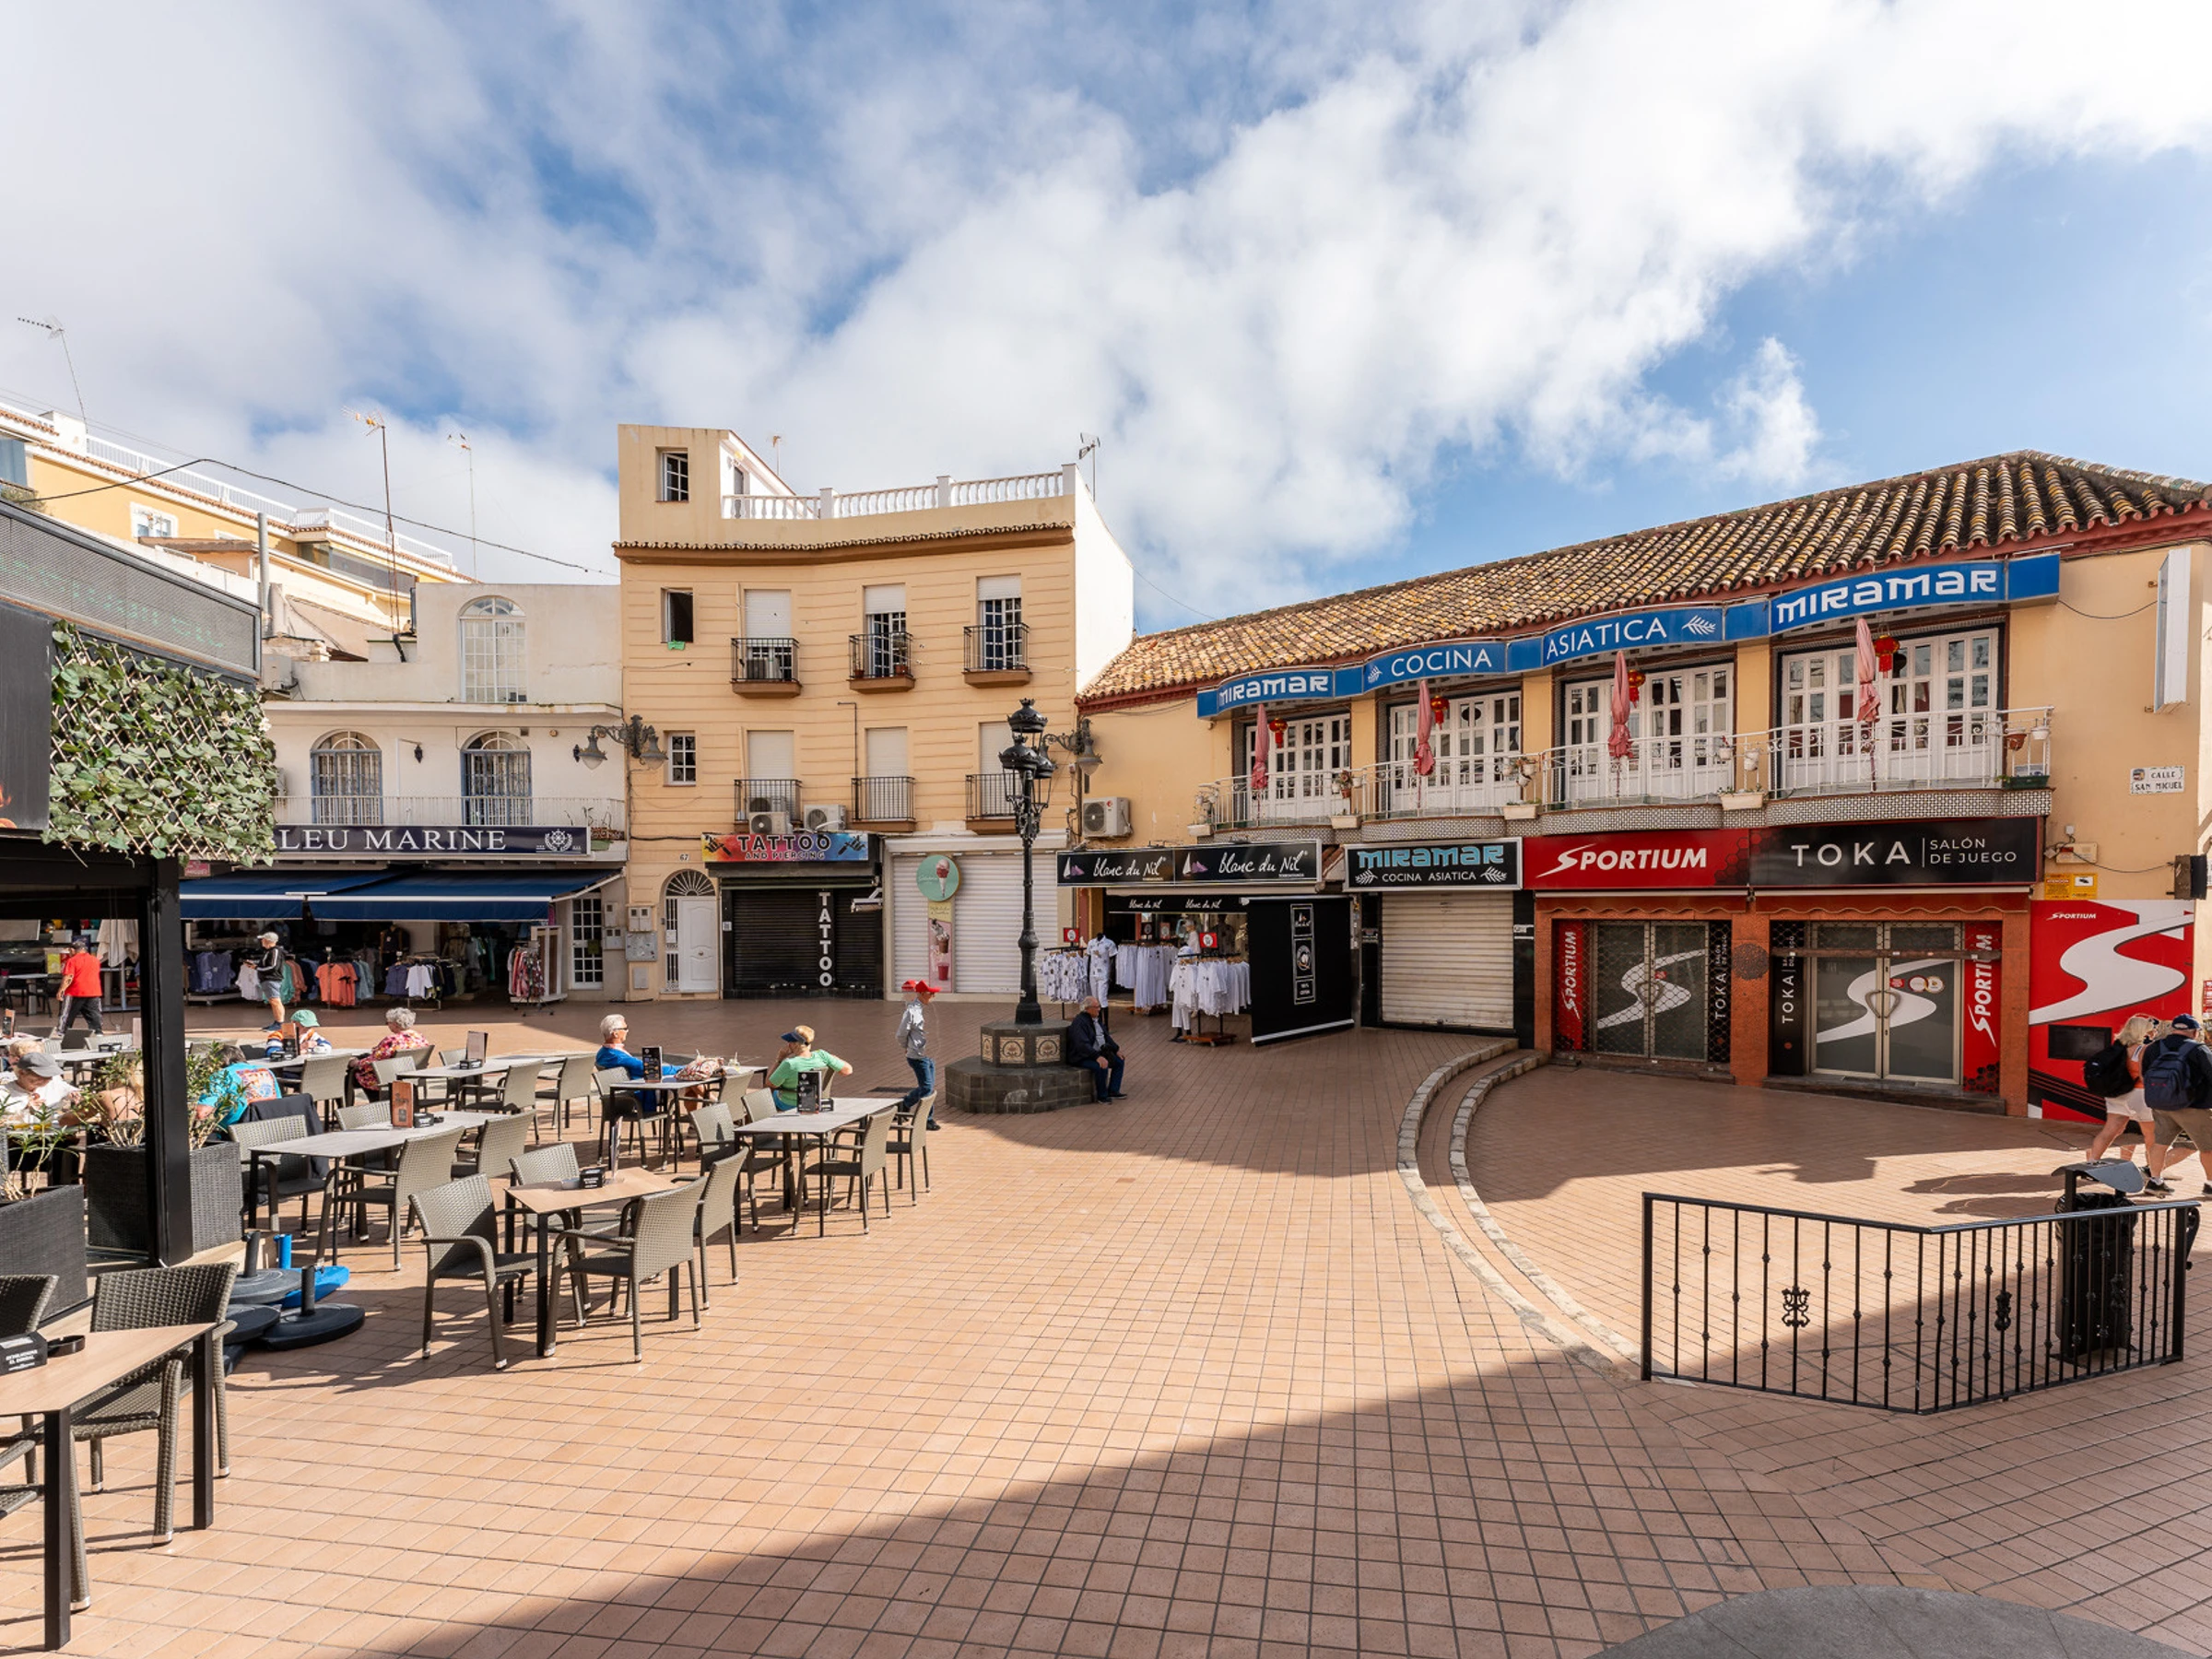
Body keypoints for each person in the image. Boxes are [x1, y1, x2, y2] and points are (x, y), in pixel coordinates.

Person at [2085, 1014, 2171, 1179]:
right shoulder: (2143, 1050)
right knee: (2151, 1136)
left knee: (2110, 1130)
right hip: (2139, 1095)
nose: (2153, 1033)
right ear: (2143, 1032)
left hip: (2116, 1094)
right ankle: (2154, 1174)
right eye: (2151, 1030)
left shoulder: (2117, 1049)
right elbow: (2145, 1076)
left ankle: (2091, 1164)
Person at [2143, 1013, 2212, 1197]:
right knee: (2208, 1147)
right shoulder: (2198, 1049)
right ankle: (2210, 1185)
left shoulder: (2154, 1048)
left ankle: (2155, 1181)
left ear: (2173, 1029)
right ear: (2194, 1032)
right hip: (2194, 1106)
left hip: (2161, 1104)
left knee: (2160, 1144)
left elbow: (2145, 1074)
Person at [767, 1026, 852, 1112]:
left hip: (792, 1104)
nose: (788, 1044)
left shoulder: (789, 1064)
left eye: (790, 1042)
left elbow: (769, 1084)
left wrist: (779, 1060)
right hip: (818, 1101)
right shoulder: (823, 1055)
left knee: (769, 1092)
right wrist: (833, 1058)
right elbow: (848, 1070)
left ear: (795, 1045)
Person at [352, 1006, 430, 1096]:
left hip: (389, 1078)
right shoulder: (420, 1037)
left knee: (352, 1074)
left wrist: (357, 1063)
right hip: (411, 1075)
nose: (387, 1025)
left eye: (388, 1023)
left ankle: (346, 1103)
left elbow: (374, 1061)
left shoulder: (392, 1040)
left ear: (395, 1024)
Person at [200, 1043, 281, 1126]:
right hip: (271, 1126)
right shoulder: (266, 1071)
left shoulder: (221, 1075)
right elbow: (278, 1101)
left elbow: (202, 1113)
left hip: (237, 1129)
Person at [896, 981, 940, 1128]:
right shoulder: (911, 1012)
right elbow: (901, 1034)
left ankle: (908, 1105)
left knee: (929, 1088)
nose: (933, 995)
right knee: (927, 1088)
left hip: (929, 1054)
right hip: (918, 1056)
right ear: (921, 993)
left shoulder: (926, 1009)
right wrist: (906, 1047)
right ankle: (924, 1117)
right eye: (930, 993)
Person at [1066, 996, 1125, 1102]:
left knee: (1119, 1061)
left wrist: (1116, 1049)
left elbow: (1106, 1036)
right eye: (1096, 1007)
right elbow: (1083, 1045)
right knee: (1102, 1066)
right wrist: (1097, 1057)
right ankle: (1102, 1096)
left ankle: (1113, 1090)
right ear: (1087, 1009)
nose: (1099, 1009)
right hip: (1082, 1056)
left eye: (1099, 1006)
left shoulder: (1096, 1019)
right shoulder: (1080, 1023)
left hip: (1098, 1052)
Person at [53, 938, 103, 1037]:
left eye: (69, 951)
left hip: (75, 991)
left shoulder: (72, 960)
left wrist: (61, 990)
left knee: (67, 1014)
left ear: (72, 950)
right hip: (94, 991)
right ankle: (98, 1032)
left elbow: (69, 977)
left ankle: (62, 1032)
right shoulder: (95, 960)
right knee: (94, 1014)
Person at [253, 931, 287, 1030]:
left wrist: (257, 968)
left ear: (268, 941)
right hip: (267, 980)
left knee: (275, 1001)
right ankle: (277, 1022)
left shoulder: (275, 951)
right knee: (273, 1001)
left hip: (272, 979)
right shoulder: (269, 951)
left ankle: (280, 1023)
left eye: (263, 939)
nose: (262, 941)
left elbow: (273, 966)